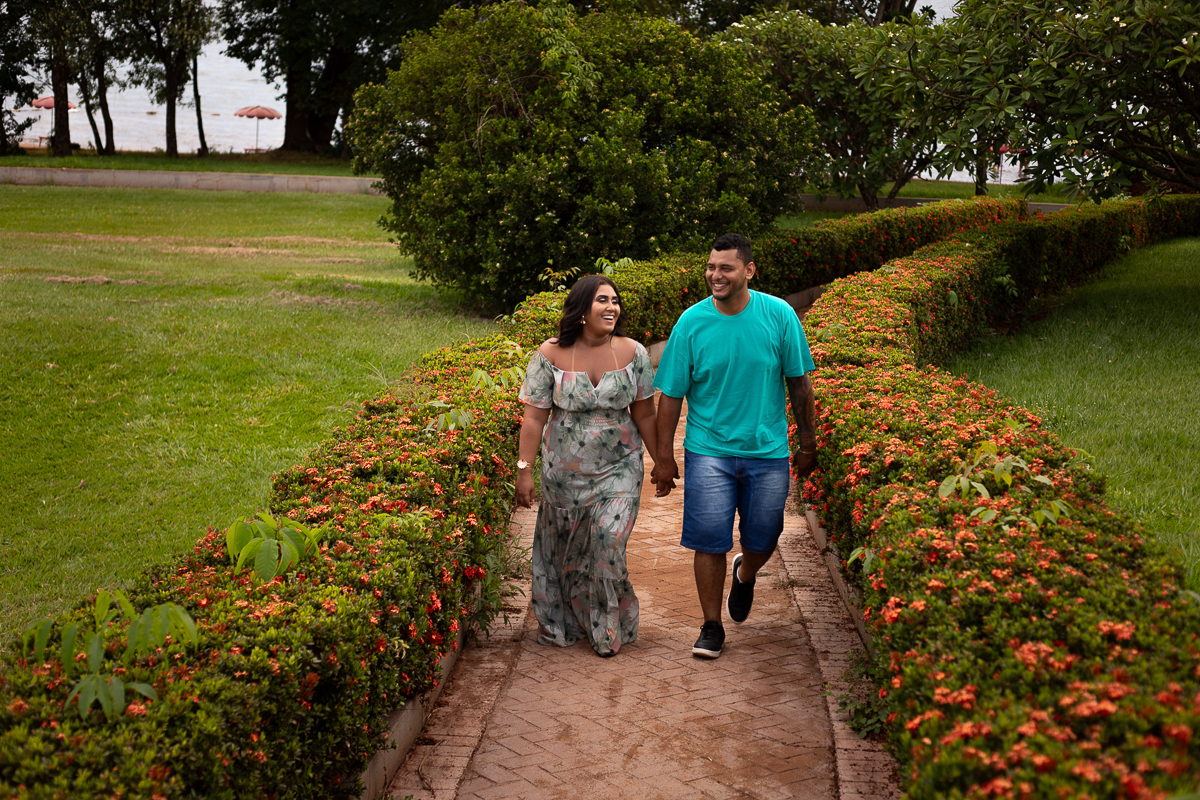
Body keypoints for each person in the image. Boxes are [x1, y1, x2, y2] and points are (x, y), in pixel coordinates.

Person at [650, 233, 818, 659]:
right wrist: (665, 458)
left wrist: (807, 441)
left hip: (768, 450)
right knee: (709, 540)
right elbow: (670, 396)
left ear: (748, 270)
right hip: (709, 451)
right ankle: (711, 625)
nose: (714, 275)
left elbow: (800, 383)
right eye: (710, 267)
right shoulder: (691, 322)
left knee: (765, 535)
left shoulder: (778, 315)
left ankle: (746, 573)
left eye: (725, 267)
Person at [515, 274, 659, 657]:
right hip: (564, 476)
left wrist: (663, 460)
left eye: (615, 300)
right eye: (602, 300)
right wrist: (524, 468)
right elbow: (533, 418)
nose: (612, 307)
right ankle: (569, 620)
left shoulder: (634, 353)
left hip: (620, 468)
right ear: (581, 310)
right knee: (567, 552)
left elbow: (645, 414)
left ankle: (606, 626)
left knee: (608, 543)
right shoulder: (549, 354)